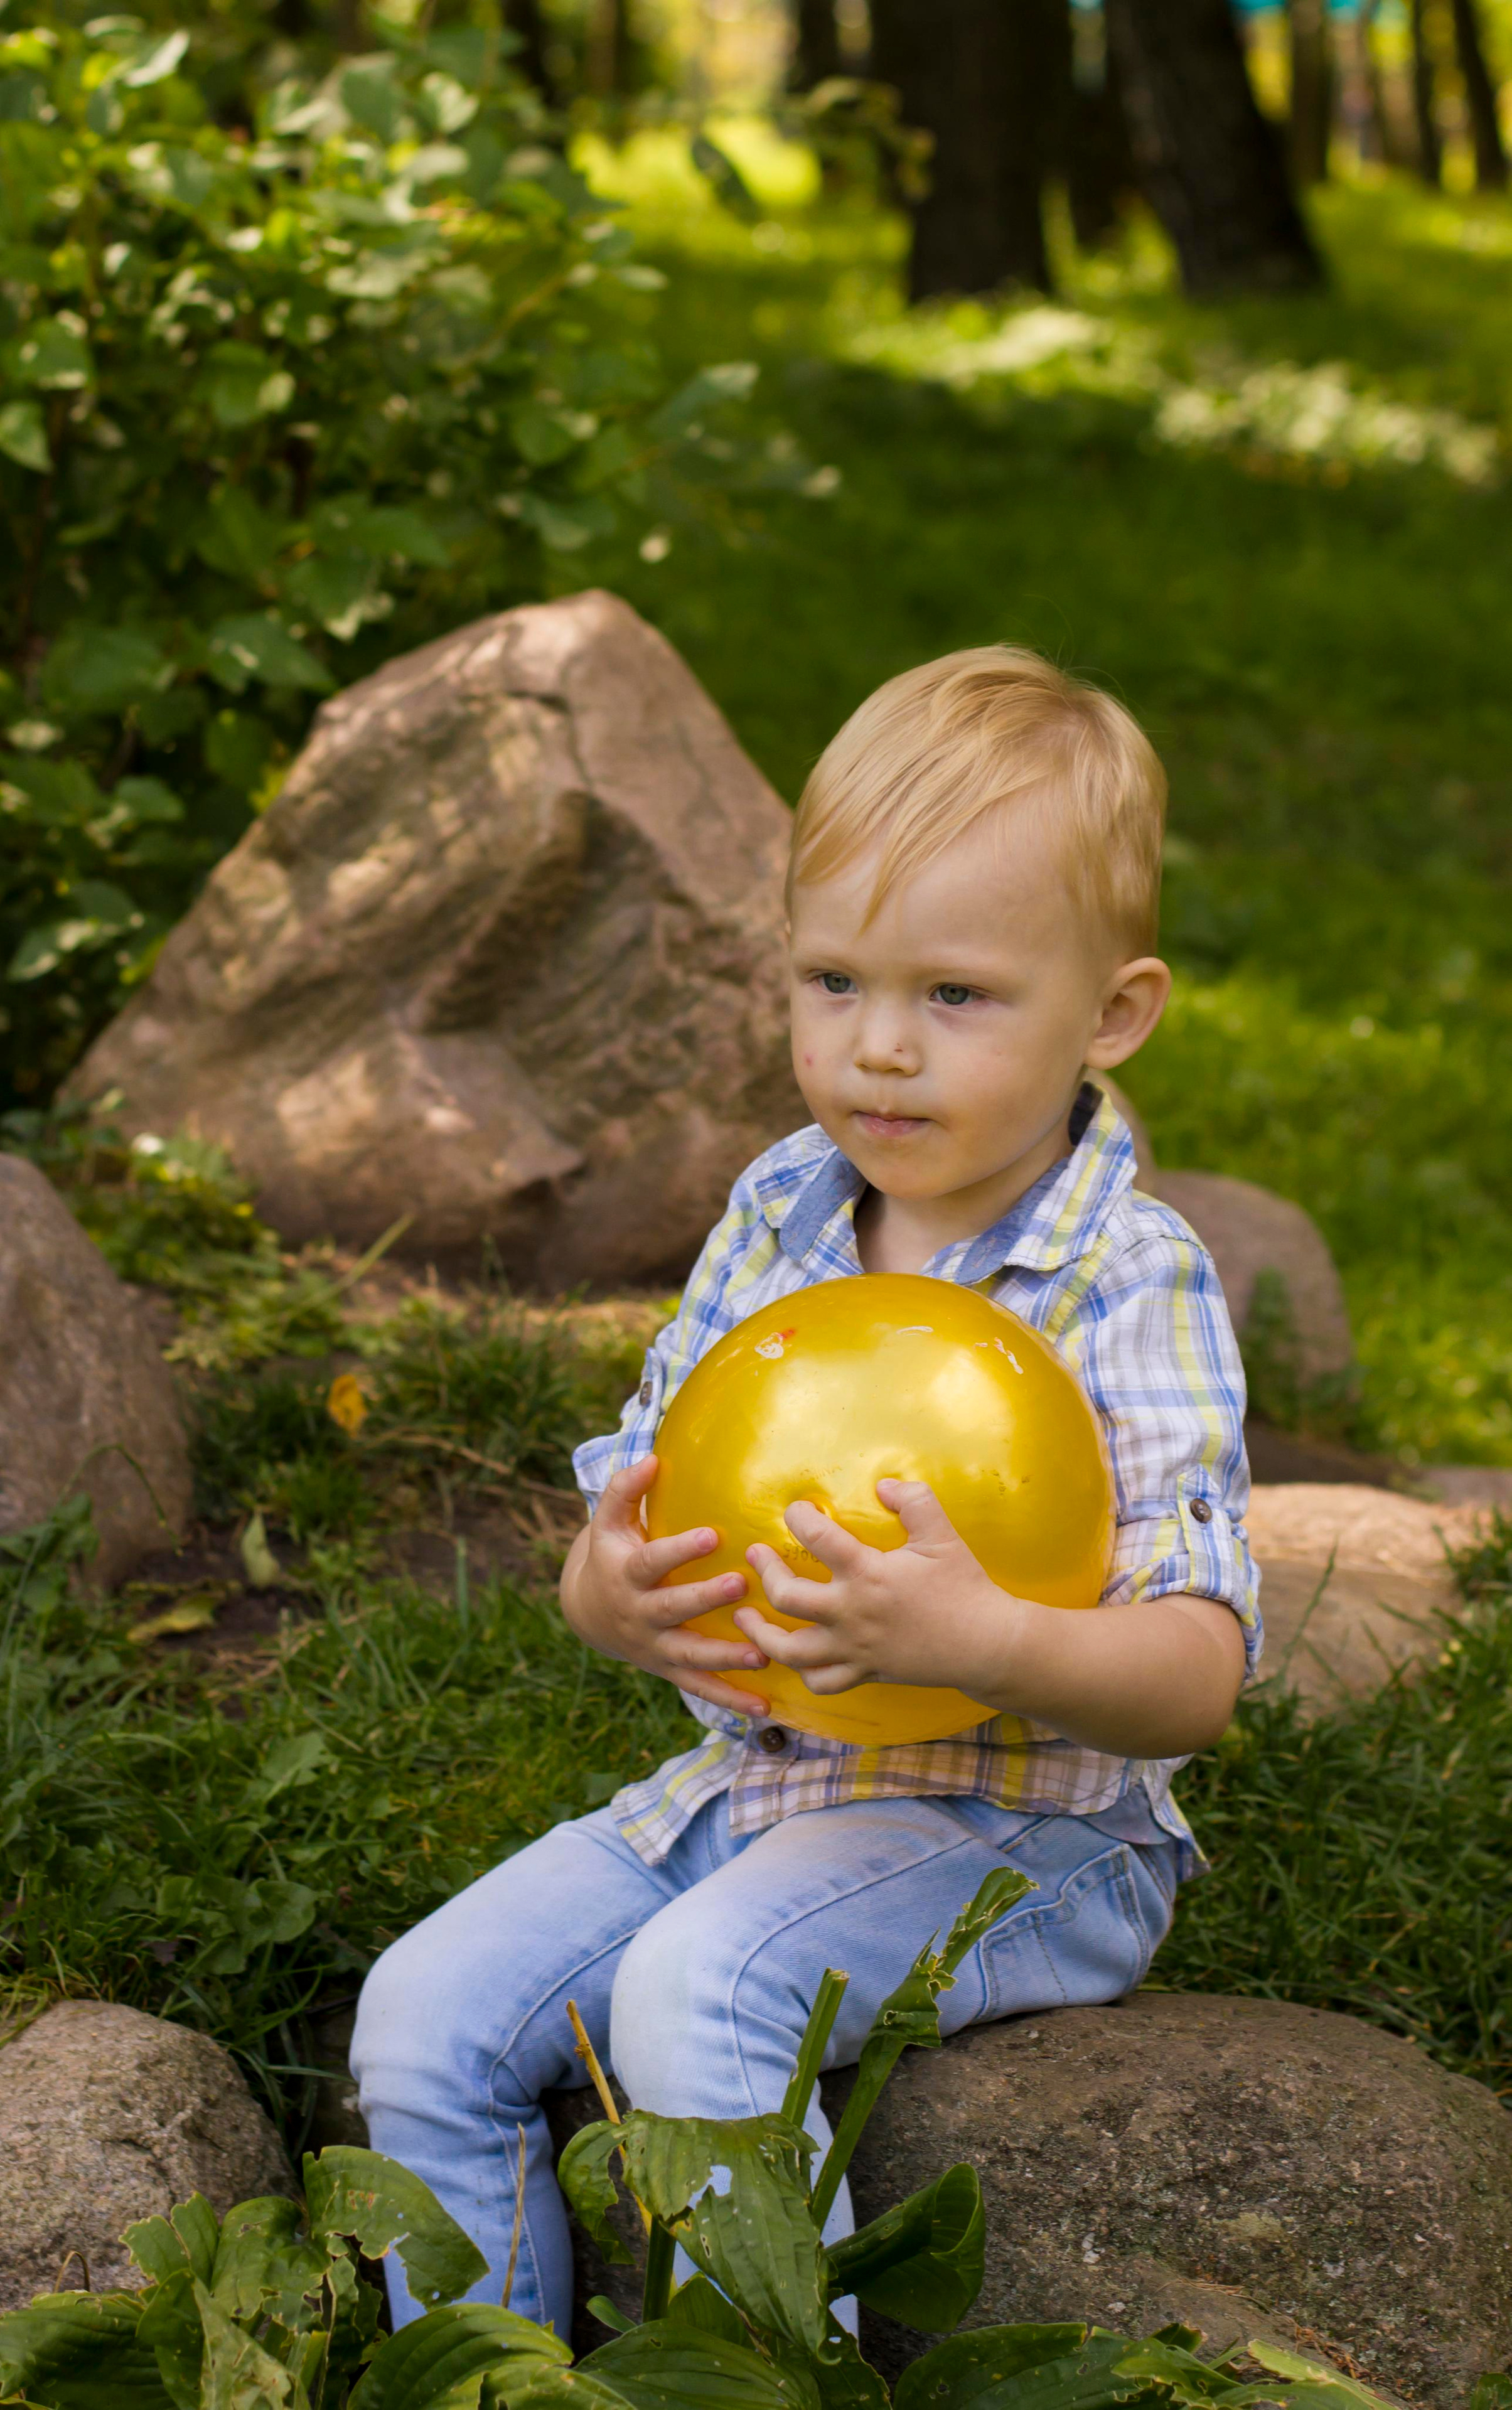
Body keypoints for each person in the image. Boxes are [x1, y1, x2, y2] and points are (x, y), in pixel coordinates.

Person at [350, 645, 1260, 2332]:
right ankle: (476, 2374)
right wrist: (615, 1595)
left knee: (696, 1994)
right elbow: (636, 1523)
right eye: (833, 981)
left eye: (955, 995)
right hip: (752, 1790)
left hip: (1025, 1829)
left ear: (1112, 1015)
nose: (880, 1050)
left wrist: (986, 1637)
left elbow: (1196, 1673)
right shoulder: (779, 1216)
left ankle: (766, 2376)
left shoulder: (1129, 1280)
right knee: (420, 2016)